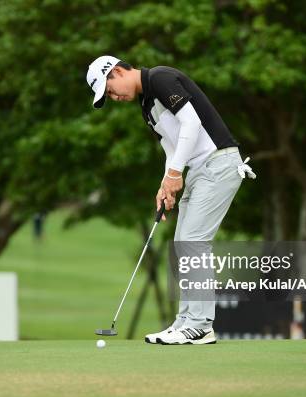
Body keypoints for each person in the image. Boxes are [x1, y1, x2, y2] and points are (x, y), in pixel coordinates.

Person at [86, 56, 256, 345]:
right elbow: (172, 146)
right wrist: (165, 184)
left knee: (193, 242)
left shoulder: (160, 78)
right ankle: (186, 321)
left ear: (116, 71)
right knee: (182, 245)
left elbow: (191, 122)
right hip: (199, 170)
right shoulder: (146, 105)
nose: (113, 97)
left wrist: (176, 173)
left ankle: (201, 325)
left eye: (110, 89)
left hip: (219, 164)